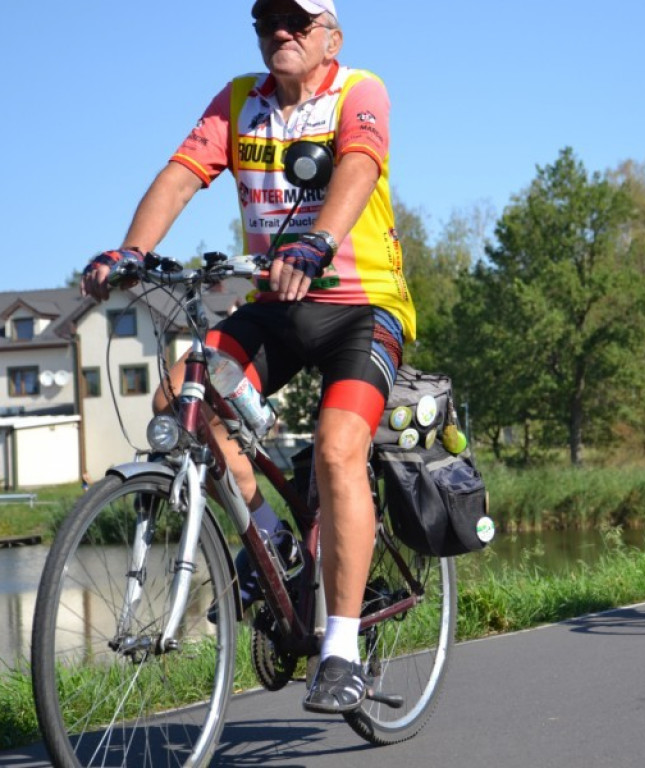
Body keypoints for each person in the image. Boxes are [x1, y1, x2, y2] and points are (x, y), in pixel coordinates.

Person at [80, 0, 414, 714]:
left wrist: (317, 241)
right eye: (267, 22)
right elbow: (178, 174)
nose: (281, 33)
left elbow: (358, 165)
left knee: (335, 447)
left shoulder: (361, 90)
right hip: (275, 303)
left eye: (297, 21)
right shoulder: (239, 102)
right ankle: (276, 544)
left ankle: (342, 650)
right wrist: (130, 252)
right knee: (181, 402)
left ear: (331, 36)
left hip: (363, 307)